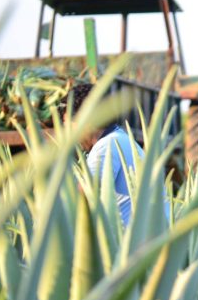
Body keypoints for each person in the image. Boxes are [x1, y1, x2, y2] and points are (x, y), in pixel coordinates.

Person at [70, 83, 165, 226]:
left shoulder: (107, 145)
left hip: (136, 245)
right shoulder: (120, 138)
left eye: (70, 123)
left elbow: (82, 196)